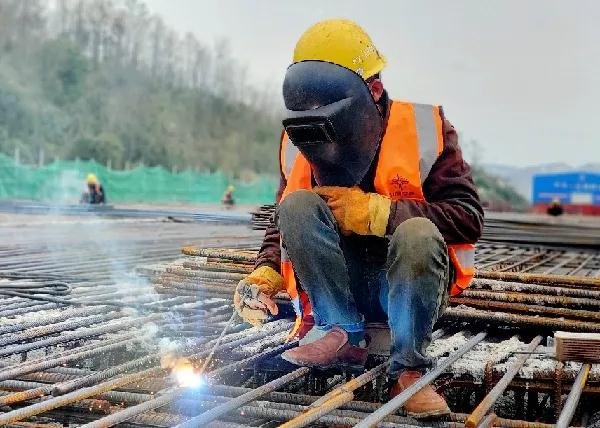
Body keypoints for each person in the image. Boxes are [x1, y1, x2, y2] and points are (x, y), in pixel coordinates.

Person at [233, 19, 483, 418]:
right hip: (339, 289)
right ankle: (341, 334)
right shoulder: (298, 141)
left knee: (417, 232)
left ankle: (410, 368)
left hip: (405, 289)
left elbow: (468, 218)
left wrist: (378, 213)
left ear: (374, 91)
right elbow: (284, 215)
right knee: (296, 205)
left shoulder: (427, 130)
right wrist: (264, 271)